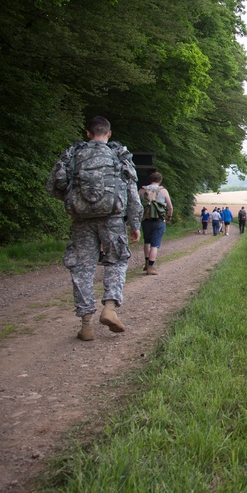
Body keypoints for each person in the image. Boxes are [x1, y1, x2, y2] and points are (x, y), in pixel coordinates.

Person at [46, 116, 141, 341]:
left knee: (82, 268)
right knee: (116, 262)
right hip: (113, 218)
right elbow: (132, 193)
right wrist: (135, 223)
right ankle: (109, 307)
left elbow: (55, 185)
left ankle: (86, 324)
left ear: (87, 134)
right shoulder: (118, 155)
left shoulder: (74, 154)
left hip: (82, 220)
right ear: (109, 134)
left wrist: (74, 200)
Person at [139, 171, 174, 275]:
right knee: (155, 245)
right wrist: (169, 216)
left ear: (151, 179)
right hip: (159, 220)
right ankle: (151, 266)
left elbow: (135, 203)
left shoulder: (142, 190)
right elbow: (170, 207)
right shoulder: (163, 191)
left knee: (147, 241)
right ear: (160, 180)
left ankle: (146, 263)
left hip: (145, 219)